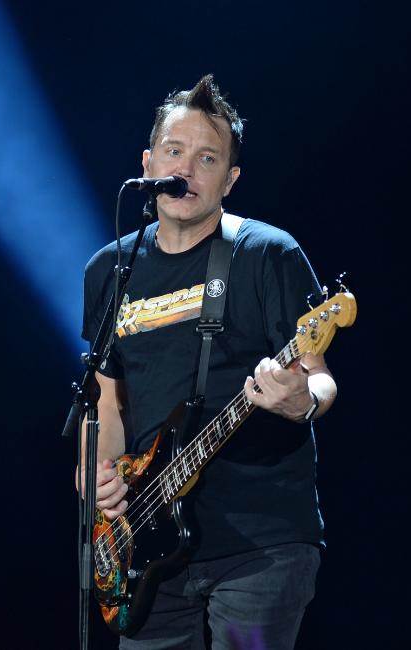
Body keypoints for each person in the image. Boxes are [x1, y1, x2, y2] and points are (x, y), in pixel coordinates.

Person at [80, 74, 337, 650]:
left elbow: (318, 376)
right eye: (174, 152)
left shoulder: (267, 253)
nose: (186, 169)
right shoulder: (109, 271)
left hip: (259, 541)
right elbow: (106, 400)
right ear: (148, 164)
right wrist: (98, 476)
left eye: (207, 158)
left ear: (230, 179)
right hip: (146, 543)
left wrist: (302, 400)